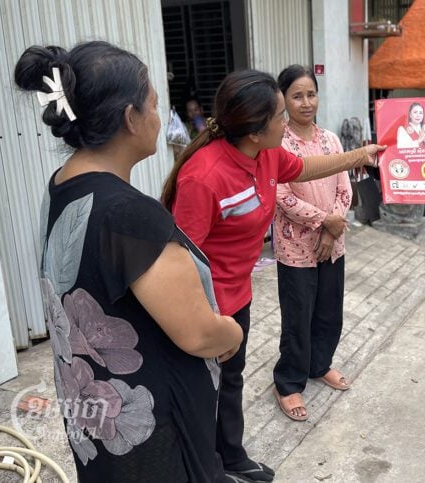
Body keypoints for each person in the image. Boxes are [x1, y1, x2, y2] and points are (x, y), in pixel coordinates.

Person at [14, 41, 243, 482]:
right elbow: (197, 334)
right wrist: (230, 330)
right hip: (149, 426)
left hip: (96, 416)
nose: (160, 115)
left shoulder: (63, 184)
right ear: (130, 118)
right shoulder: (129, 213)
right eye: (154, 104)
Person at [161, 69, 384, 481]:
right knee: (203, 393)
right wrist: (205, 322)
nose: (289, 122)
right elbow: (179, 261)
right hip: (204, 305)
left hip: (238, 296)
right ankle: (207, 471)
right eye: (281, 114)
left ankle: (231, 456)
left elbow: (307, 167)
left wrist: (359, 155)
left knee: (231, 382)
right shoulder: (204, 176)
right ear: (254, 129)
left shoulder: (265, 155)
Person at [270, 65, 352, 422]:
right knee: (297, 317)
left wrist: (333, 229)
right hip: (296, 247)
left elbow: (344, 186)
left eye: (311, 94)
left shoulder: (331, 140)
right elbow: (280, 195)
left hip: (332, 244)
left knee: (329, 311)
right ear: (284, 100)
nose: (306, 102)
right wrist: (323, 222)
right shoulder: (277, 142)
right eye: (297, 95)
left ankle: (319, 365)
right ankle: (288, 383)